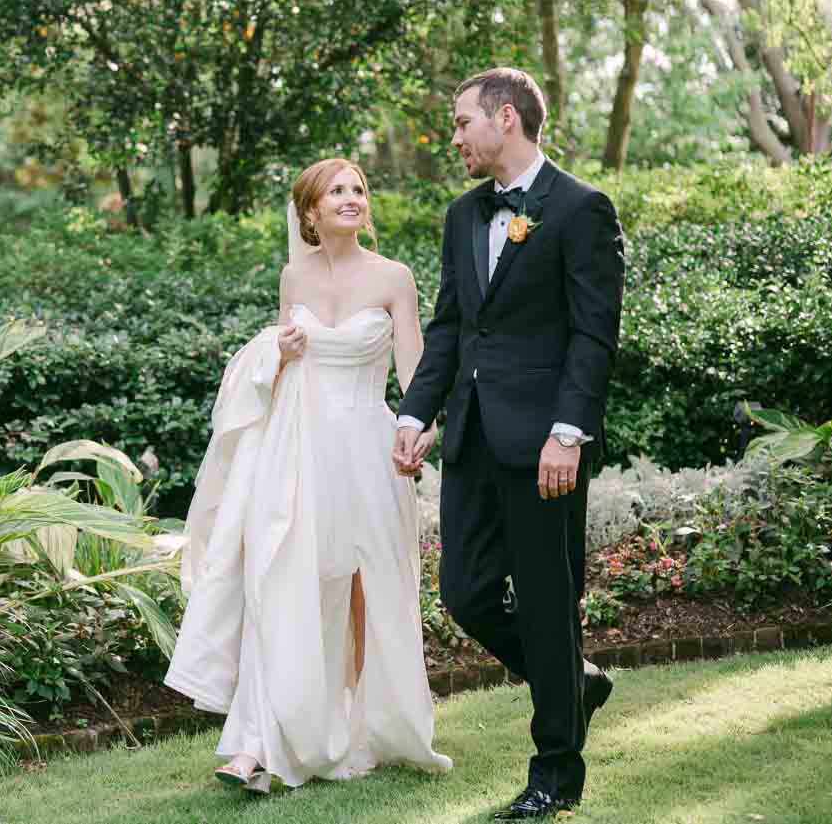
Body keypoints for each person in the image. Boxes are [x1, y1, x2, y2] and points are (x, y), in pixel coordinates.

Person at [165, 157, 453, 794]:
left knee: (368, 591)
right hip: (297, 451)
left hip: (368, 451)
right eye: (336, 192)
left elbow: (416, 370)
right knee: (285, 582)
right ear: (311, 213)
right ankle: (255, 742)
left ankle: (363, 726)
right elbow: (281, 365)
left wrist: (422, 427)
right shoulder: (292, 275)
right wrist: (278, 352)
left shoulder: (394, 278)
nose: (351, 199)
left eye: (358, 189)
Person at [393, 67, 624, 820]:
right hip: (473, 438)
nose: (454, 136)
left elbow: (593, 335)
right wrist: (414, 413)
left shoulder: (582, 208)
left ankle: (556, 772)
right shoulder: (463, 215)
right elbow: (452, 324)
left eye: (462, 122)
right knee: (463, 591)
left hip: (545, 446)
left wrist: (568, 432)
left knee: (549, 602)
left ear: (505, 119)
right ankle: (575, 682)